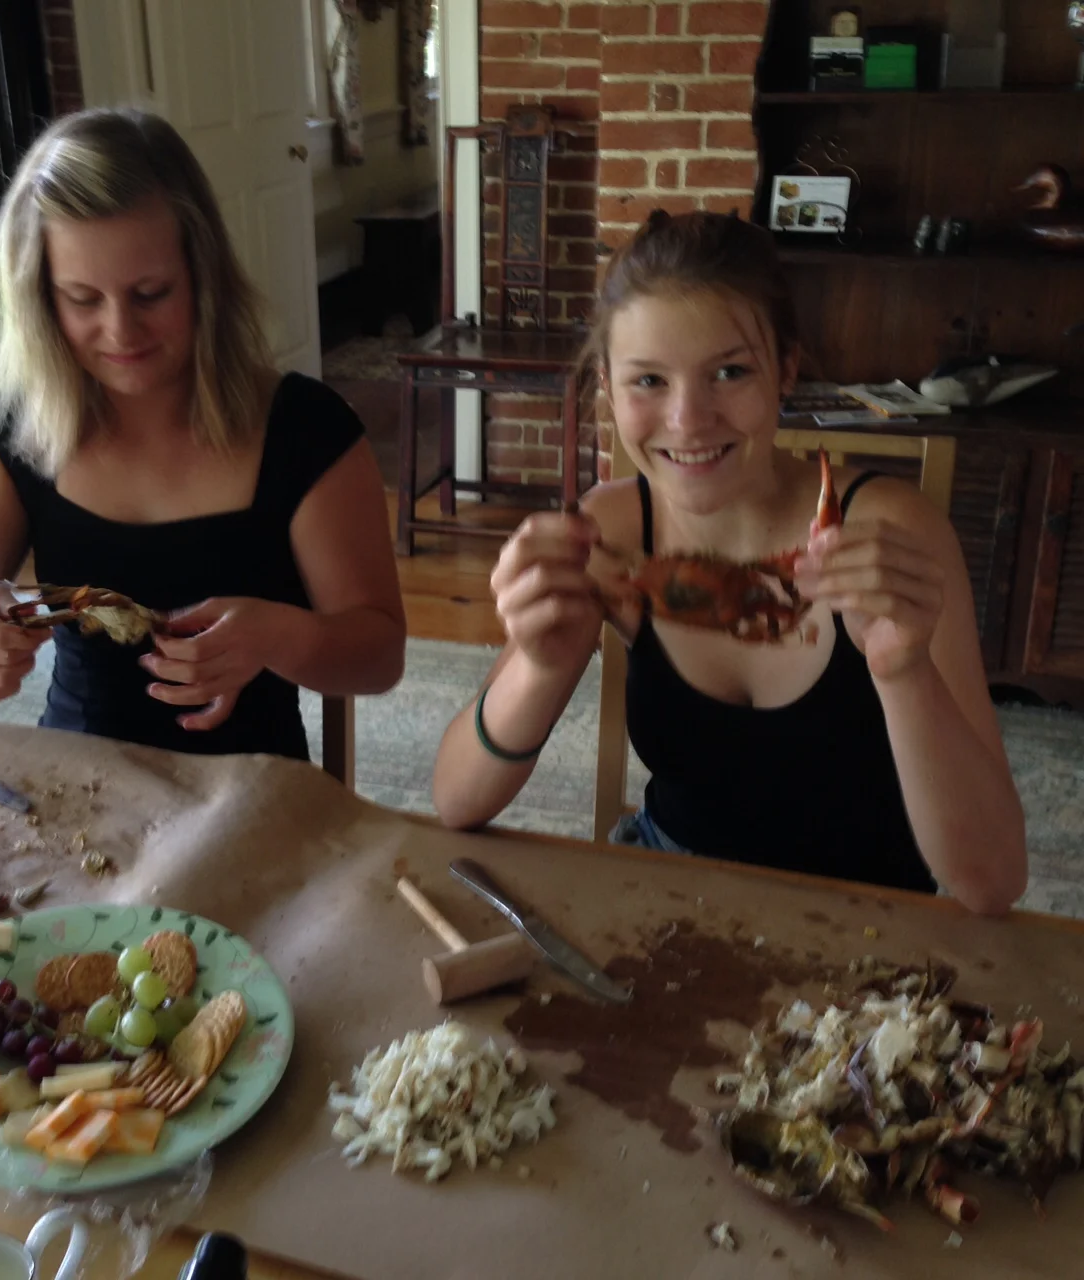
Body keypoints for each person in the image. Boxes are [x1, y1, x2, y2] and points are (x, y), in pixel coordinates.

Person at [431, 210, 1026, 916]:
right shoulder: (611, 533)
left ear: (786, 371)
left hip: (870, 918)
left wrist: (903, 671)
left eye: (731, 372)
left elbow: (992, 881)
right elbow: (455, 802)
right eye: (648, 381)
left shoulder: (890, 536)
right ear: (608, 388)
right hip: (666, 892)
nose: (688, 420)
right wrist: (537, 664)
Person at [0, 108, 406, 760]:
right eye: (81, 298)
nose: (120, 332)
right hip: (78, 786)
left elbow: (380, 657)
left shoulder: (308, 431)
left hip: (256, 794)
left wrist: (281, 637)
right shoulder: (16, 434)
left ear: (203, 277)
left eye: (151, 293)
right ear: (40, 299)